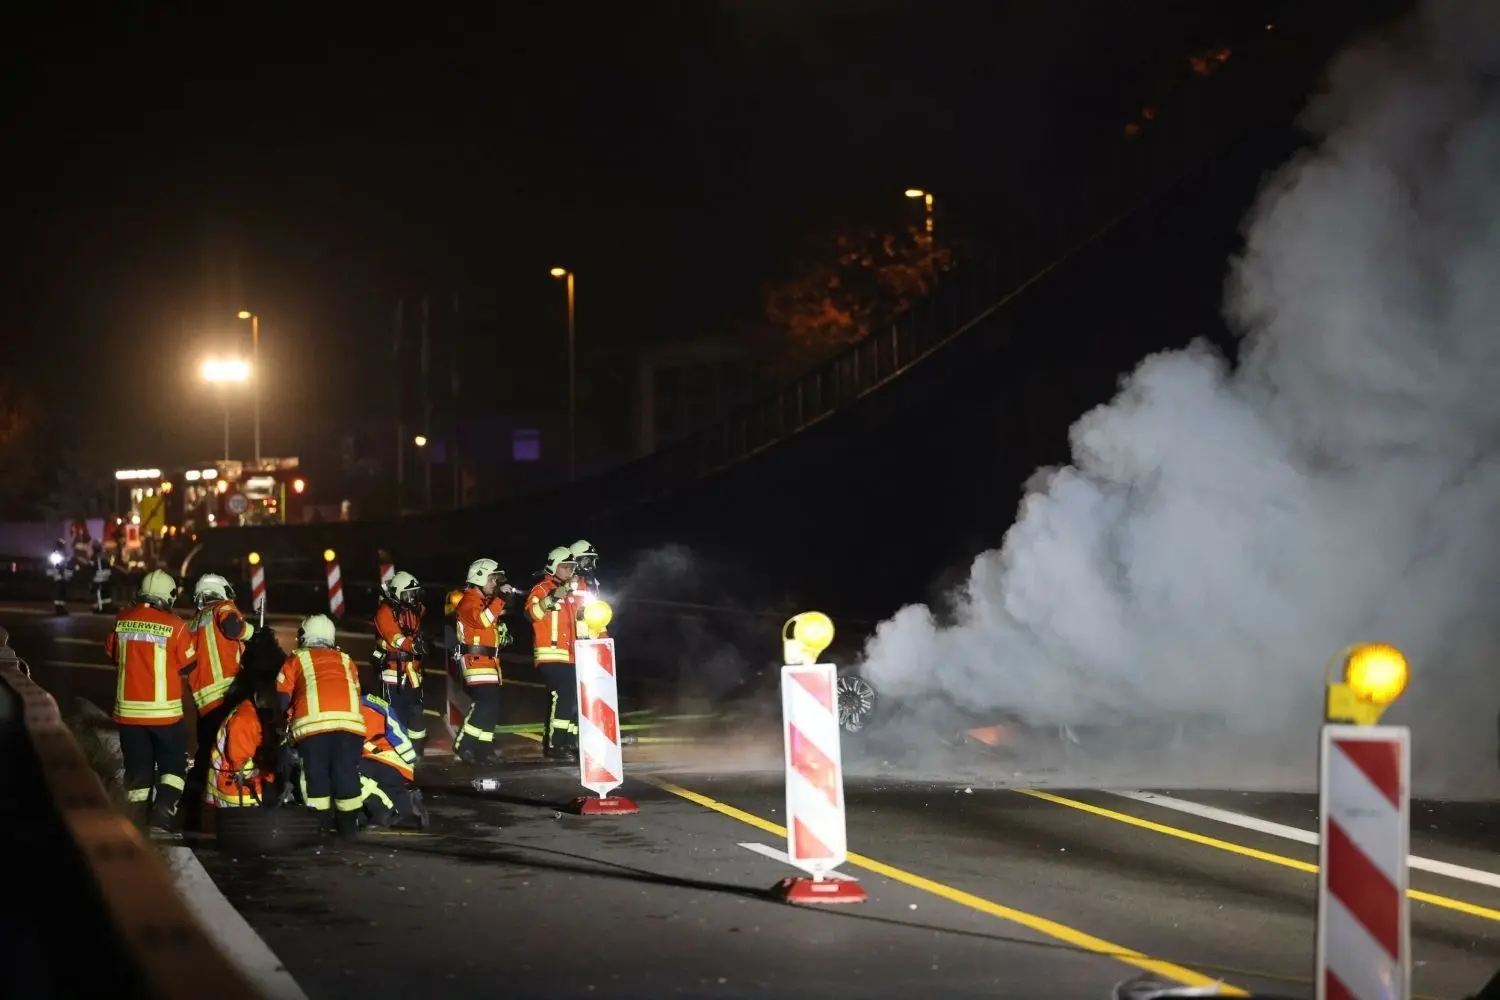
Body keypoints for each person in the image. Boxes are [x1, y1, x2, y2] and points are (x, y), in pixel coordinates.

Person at [104, 569, 196, 833]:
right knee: (173, 767)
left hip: (128, 716)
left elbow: (112, 654)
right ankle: (163, 811)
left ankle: (135, 819)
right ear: (168, 596)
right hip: (164, 716)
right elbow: (188, 664)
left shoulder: (122, 621)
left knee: (137, 770)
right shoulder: (176, 627)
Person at [276, 614, 365, 836]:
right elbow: (355, 689)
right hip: (350, 726)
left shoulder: (296, 659)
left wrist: (283, 720)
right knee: (346, 772)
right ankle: (348, 825)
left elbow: (282, 696)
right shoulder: (346, 660)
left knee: (316, 775)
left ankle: (320, 824)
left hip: (312, 726)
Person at [181, 573, 256, 830]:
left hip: (205, 704)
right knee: (237, 751)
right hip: (229, 697)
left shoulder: (191, 625)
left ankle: (191, 808)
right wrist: (253, 633)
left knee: (206, 756)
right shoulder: (222, 609)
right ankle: (235, 803)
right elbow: (235, 628)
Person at [452, 558, 517, 765]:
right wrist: (501, 597)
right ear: (479, 578)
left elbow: (488, 626)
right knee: (484, 704)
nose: (495, 584)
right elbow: (483, 620)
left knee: (492, 706)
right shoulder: (468, 602)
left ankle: (484, 749)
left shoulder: (483, 602)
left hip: (489, 662)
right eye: (492, 579)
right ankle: (464, 744)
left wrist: (501, 636)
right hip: (475, 661)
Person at [202, 654, 284, 812]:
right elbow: (242, 767)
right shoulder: (245, 719)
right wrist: (271, 773)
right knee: (281, 795)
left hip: (238, 780)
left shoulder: (258, 712)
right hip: (231, 787)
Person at [525, 547, 581, 761]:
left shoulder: (571, 593)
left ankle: (567, 742)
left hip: (571, 656)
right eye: (565, 567)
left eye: (571, 567)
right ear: (553, 567)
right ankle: (555, 745)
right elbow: (531, 614)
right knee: (563, 695)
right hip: (550, 656)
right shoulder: (541, 588)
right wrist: (551, 599)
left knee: (572, 699)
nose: (569, 571)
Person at [371, 570, 428, 760]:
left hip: (412, 673)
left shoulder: (412, 611)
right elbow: (395, 638)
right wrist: (413, 645)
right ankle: (397, 755)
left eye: (414, 594)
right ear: (397, 593)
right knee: (396, 716)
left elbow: (418, 619)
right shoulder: (385, 612)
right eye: (408, 594)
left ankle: (416, 751)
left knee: (416, 714)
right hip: (393, 674)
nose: (412, 598)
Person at [358, 689, 427, 829]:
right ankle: (406, 805)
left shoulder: (356, 710)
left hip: (380, 761)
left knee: (344, 773)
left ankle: (383, 811)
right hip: (396, 762)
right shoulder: (372, 702)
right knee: (392, 791)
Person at [566, 539, 608, 641]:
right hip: (569, 642)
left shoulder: (591, 584)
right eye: (587, 562)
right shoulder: (562, 584)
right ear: (575, 561)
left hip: (589, 642)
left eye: (592, 561)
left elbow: (597, 617)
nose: (590, 566)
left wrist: (604, 640)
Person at [47, 538, 72, 616]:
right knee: (58, 592)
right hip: (58, 576)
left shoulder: (62, 554)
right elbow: (56, 566)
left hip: (62, 576)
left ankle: (61, 607)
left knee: (62, 592)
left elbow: (66, 565)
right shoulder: (55, 554)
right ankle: (58, 608)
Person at [89, 540, 114, 613]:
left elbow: (91, 569)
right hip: (105, 579)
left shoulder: (94, 557)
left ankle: (101, 608)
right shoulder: (104, 556)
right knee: (105, 594)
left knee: (100, 594)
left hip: (98, 580)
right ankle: (106, 607)